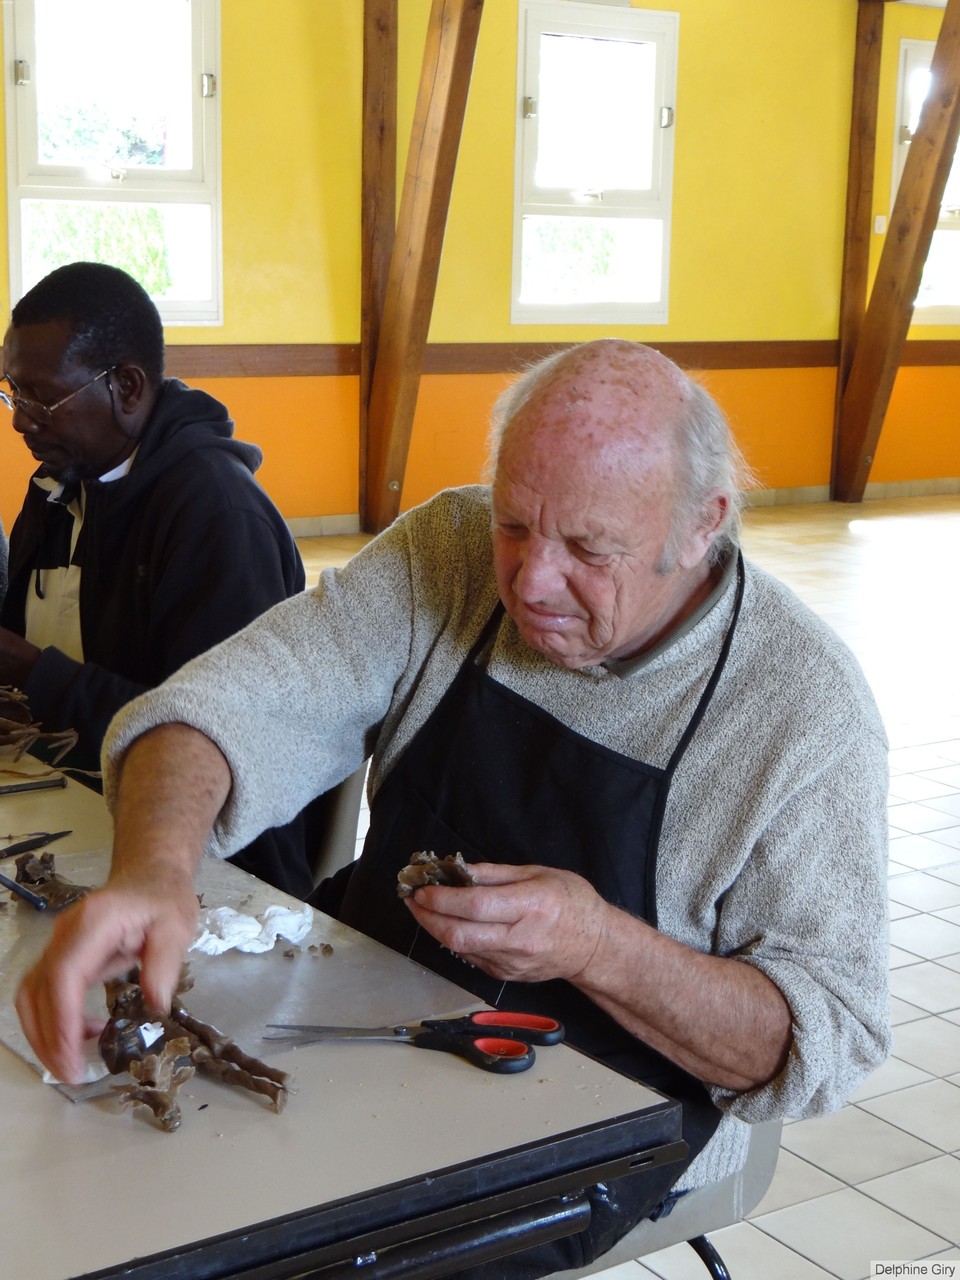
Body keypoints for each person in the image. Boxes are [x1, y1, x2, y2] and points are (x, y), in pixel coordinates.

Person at [17, 339, 890, 1277]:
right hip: (380, 1007)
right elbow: (214, 711)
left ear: (702, 524)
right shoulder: (449, 550)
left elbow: (824, 1037)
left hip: (613, 1117)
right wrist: (153, 871)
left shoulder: (803, 712)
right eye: (516, 525)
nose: (530, 581)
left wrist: (597, 947)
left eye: (590, 549)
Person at [0, 262, 313, 896]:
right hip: (75, 797)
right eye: (11, 393)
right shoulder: (59, 486)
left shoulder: (217, 516)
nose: (20, 421)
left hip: (211, 868)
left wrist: (31, 669)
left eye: (40, 398)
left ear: (127, 386)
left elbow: (212, 741)